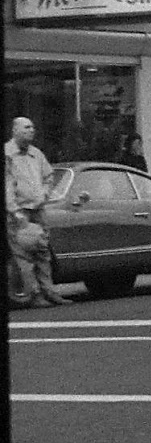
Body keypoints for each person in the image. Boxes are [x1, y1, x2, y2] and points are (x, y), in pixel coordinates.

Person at [6, 117, 69, 307]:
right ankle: (33, 294)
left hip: (38, 210)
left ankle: (49, 291)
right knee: (24, 255)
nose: (31, 130)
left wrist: (44, 193)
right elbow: (6, 186)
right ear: (15, 130)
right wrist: (14, 210)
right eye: (26, 127)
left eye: (32, 127)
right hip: (19, 212)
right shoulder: (7, 154)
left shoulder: (36, 153)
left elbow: (48, 176)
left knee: (43, 252)